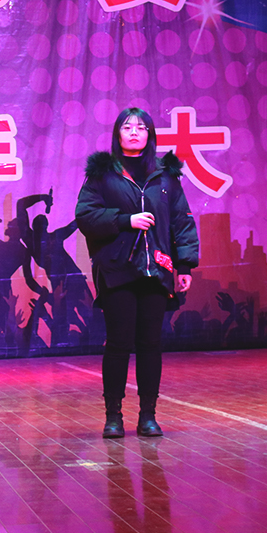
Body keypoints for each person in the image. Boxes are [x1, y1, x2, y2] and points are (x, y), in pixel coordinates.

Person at [75, 108, 198, 438]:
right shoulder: (103, 174)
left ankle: (148, 416)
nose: (134, 132)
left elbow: (182, 222)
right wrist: (124, 220)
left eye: (141, 127)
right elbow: (85, 215)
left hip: (156, 269)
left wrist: (184, 265)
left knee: (150, 343)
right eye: (127, 127)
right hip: (118, 269)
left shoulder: (165, 177)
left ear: (149, 135)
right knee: (118, 343)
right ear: (117, 134)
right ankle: (113, 416)